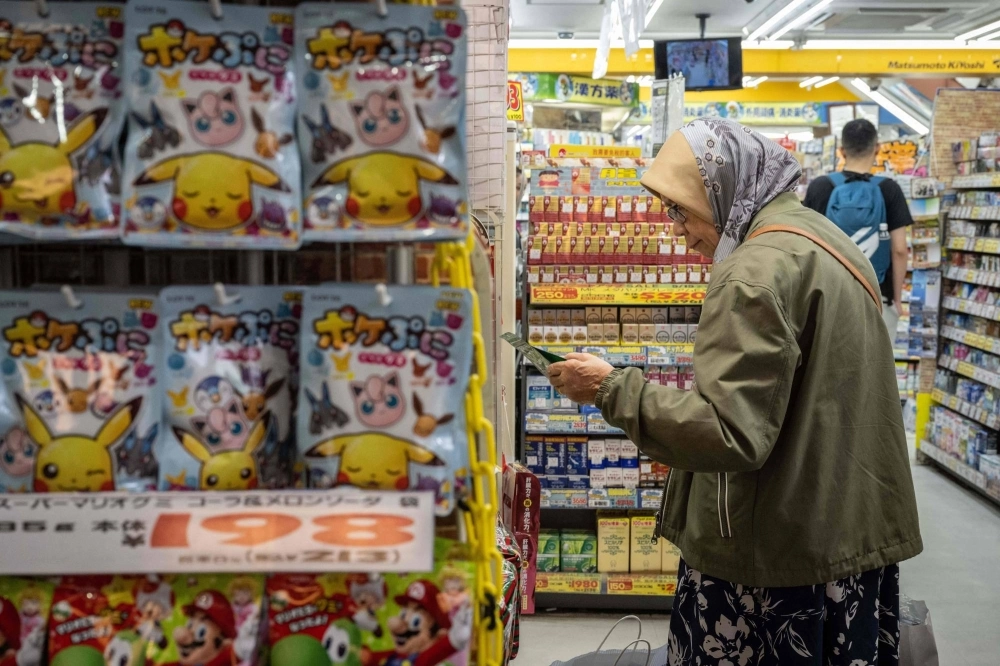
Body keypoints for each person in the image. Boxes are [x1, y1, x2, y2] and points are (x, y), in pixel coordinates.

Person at [547, 118, 921, 665]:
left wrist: (611, 387)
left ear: (720, 188)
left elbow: (728, 431)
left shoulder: (751, 271)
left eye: (681, 208)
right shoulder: (825, 239)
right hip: (843, 540)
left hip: (773, 557)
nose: (677, 229)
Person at [804, 119, 913, 323]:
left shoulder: (819, 187)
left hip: (828, 294)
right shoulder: (890, 189)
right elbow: (899, 250)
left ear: (842, 151)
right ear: (877, 148)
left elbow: (805, 244)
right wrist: (897, 299)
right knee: (877, 355)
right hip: (878, 295)